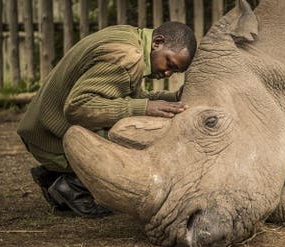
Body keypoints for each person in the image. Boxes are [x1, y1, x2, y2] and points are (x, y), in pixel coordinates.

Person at [17, 22, 197, 218]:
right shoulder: (128, 57)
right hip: (50, 137)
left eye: (175, 72)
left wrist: (173, 99)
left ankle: (56, 176)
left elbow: (127, 96)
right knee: (139, 138)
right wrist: (144, 108)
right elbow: (78, 107)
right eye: (169, 64)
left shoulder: (129, 37)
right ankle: (70, 184)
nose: (168, 73)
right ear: (158, 42)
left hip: (41, 128)